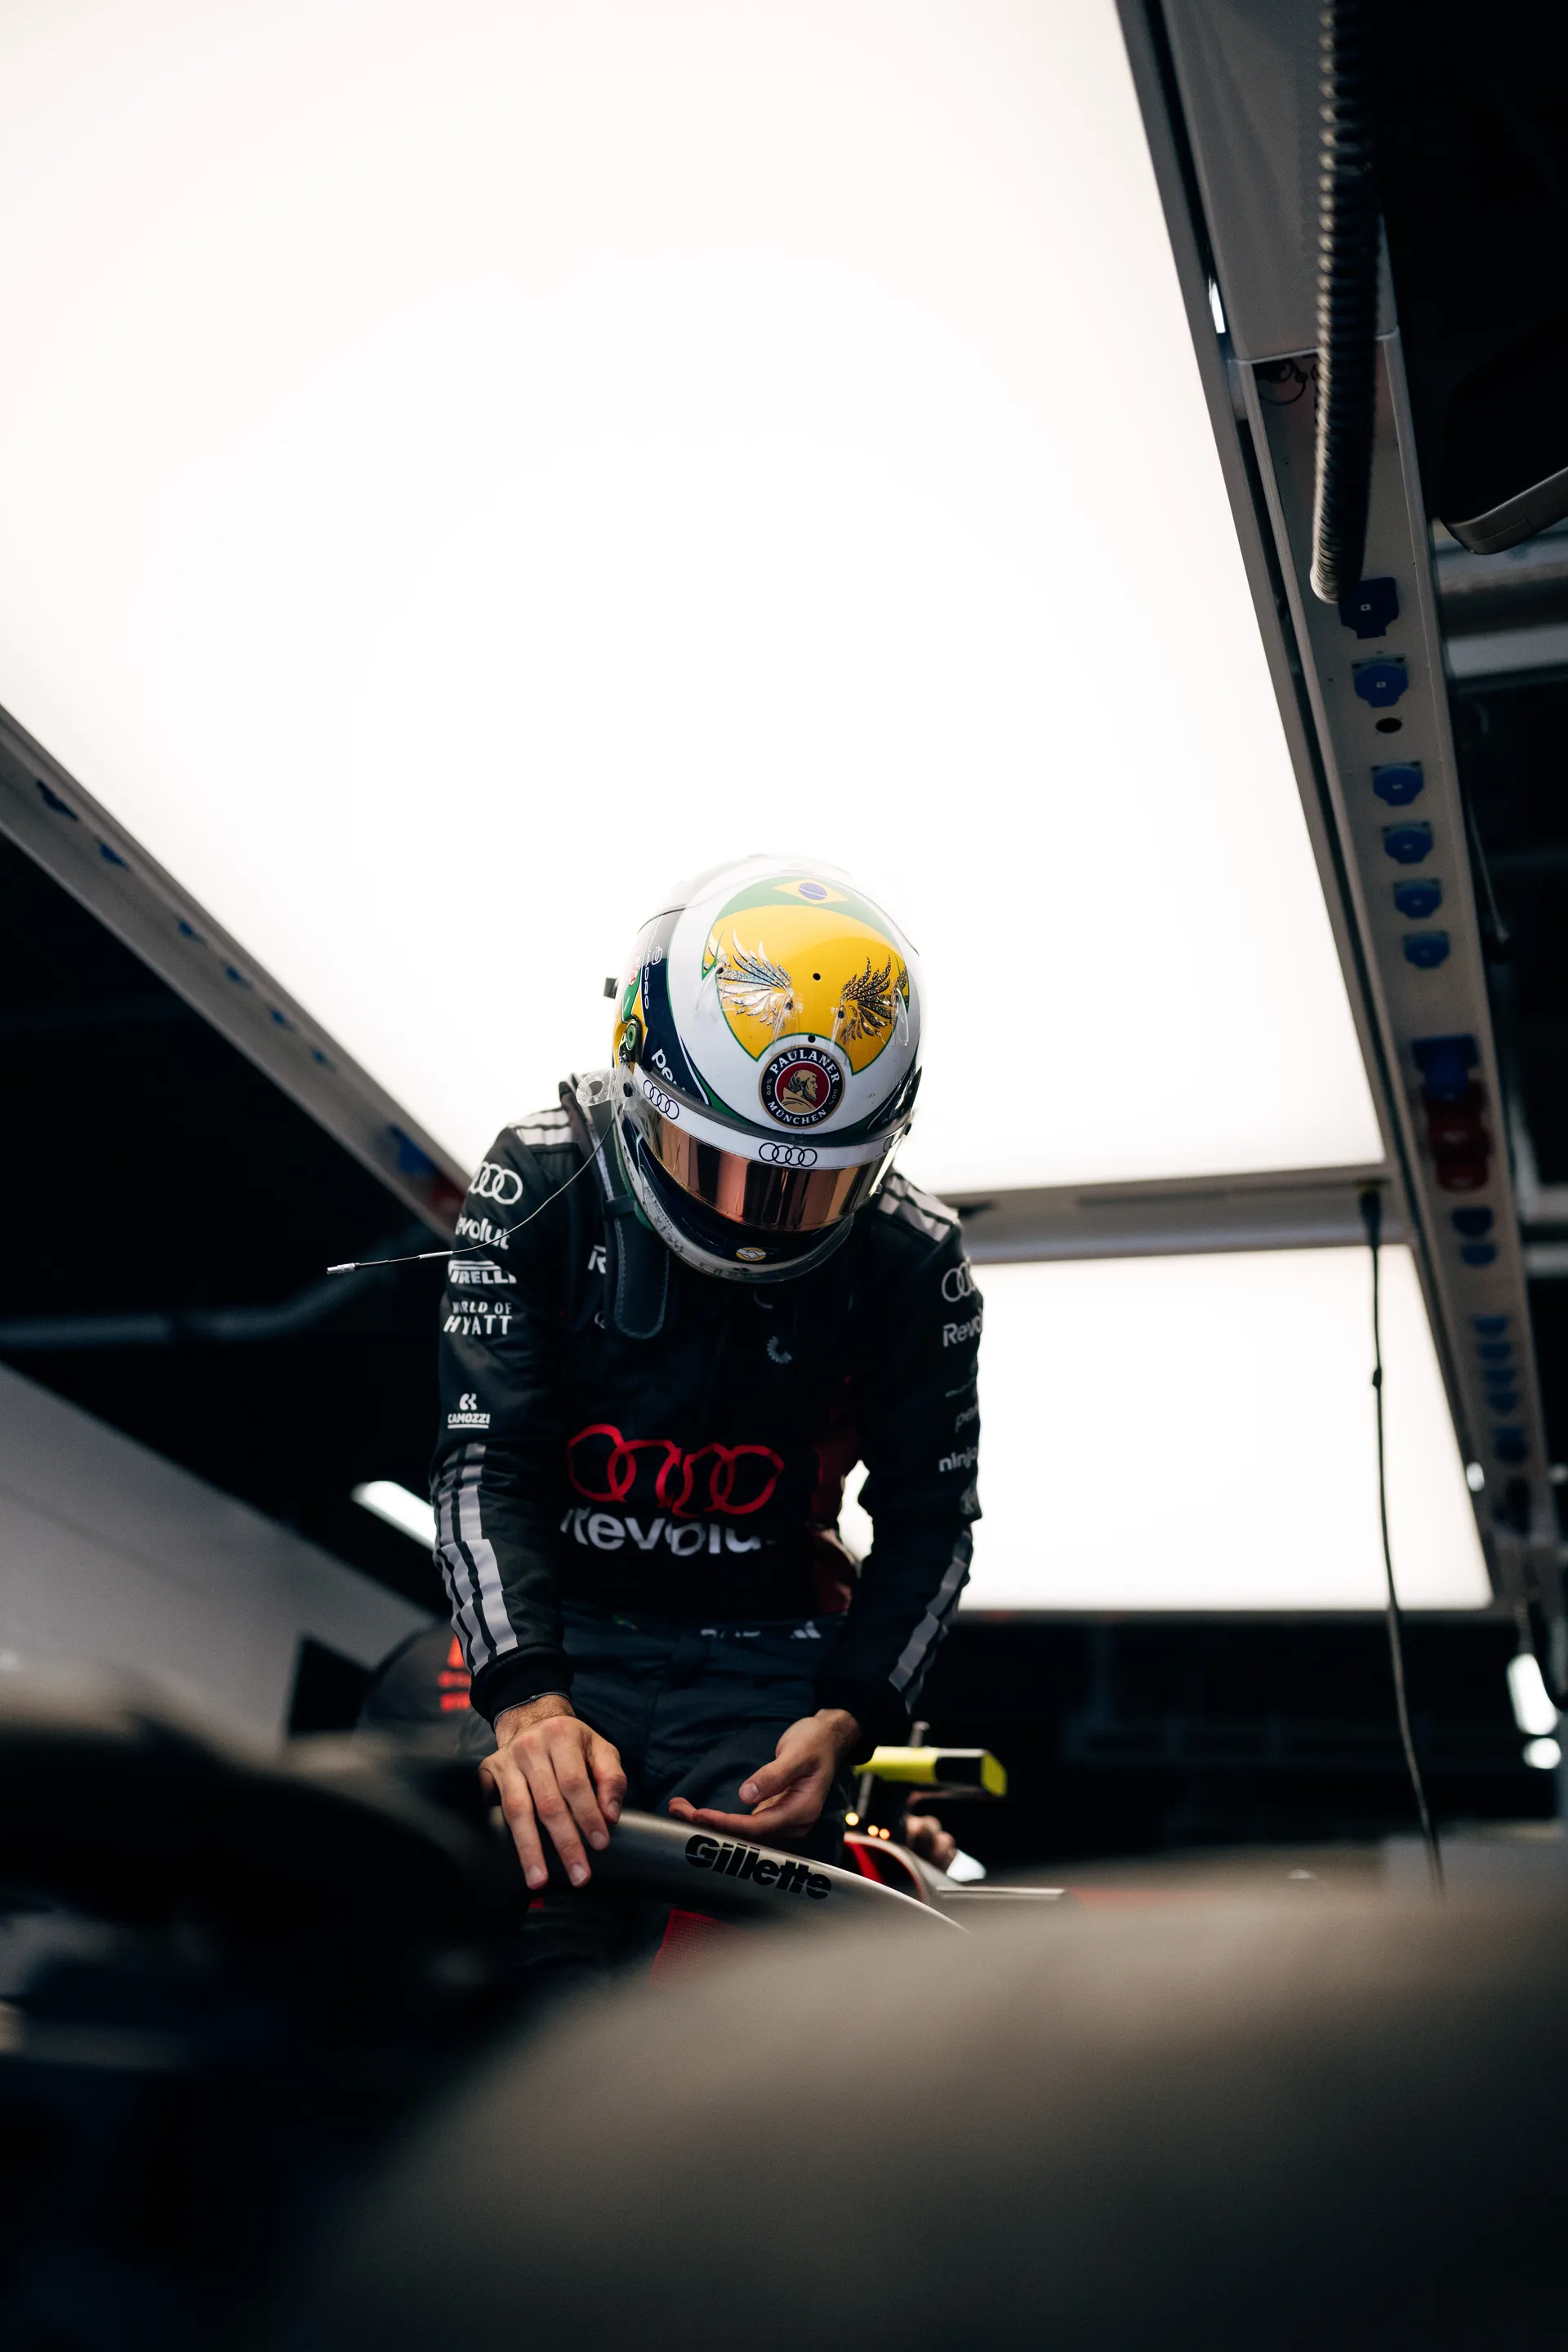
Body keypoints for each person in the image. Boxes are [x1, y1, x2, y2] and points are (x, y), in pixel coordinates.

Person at [429, 856, 981, 1984]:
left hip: (769, 1665)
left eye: (802, 1186)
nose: (757, 1224)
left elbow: (932, 1519)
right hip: (561, 1634)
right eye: (720, 1164)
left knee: (726, 1991)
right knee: (504, 1943)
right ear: (641, 1077)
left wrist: (847, 1722)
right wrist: (528, 1701)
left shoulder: (915, 1258)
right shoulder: (537, 1177)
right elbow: (488, 1463)